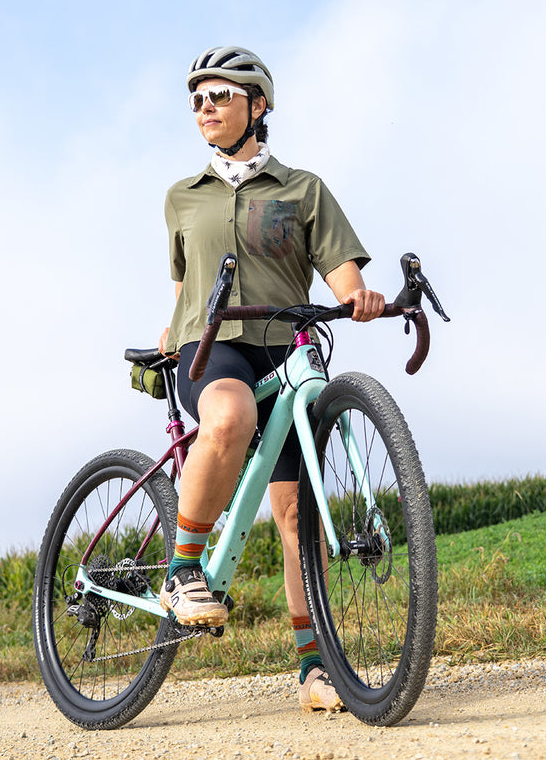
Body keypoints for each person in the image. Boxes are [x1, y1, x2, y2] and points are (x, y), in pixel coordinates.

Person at [157, 45, 385, 713]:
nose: (204, 106)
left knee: (296, 518)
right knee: (228, 417)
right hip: (211, 348)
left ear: (257, 106)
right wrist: (168, 335)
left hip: (285, 353)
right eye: (196, 98)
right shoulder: (181, 198)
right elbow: (182, 288)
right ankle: (181, 570)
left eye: (219, 95)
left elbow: (342, 273)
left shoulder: (302, 189)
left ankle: (315, 669)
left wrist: (361, 296)